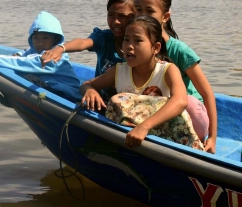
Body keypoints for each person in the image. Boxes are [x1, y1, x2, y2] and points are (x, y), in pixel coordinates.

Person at [80, 15, 199, 149]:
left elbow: (181, 101)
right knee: (115, 103)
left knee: (118, 101)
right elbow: (86, 84)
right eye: (126, 40)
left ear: (156, 48)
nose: (130, 46)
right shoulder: (119, 71)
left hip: (167, 134)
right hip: (133, 133)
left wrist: (144, 127)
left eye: (138, 40)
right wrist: (90, 91)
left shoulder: (168, 70)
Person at [136, 0, 217, 153]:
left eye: (149, 11)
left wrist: (213, 138)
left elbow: (207, 93)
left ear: (165, 17)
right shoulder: (137, 47)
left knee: (190, 104)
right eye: (139, 10)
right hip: (161, 108)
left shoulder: (180, 50)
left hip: (190, 115)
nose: (142, 16)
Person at [0, 11, 81, 102]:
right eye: (36, 38)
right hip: (54, 87)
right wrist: (18, 54)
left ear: (55, 40)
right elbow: (26, 54)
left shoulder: (54, 57)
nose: (40, 42)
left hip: (68, 96)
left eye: (45, 38)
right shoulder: (37, 51)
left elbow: (25, 62)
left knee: (26, 77)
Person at [41, 0, 139, 79]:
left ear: (136, 16)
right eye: (111, 15)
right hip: (98, 97)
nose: (116, 22)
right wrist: (61, 48)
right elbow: (83, 43)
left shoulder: (142, 43)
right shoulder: (103, 38)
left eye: (122, 16)